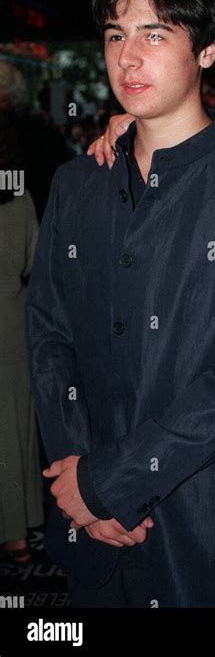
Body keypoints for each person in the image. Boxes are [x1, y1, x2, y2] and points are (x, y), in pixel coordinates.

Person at [26, 0, 215, 608]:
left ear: (206, 50)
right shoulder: (77, 183)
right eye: (116, 35)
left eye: (154, 34)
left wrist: (111, 482)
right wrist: (78, 481)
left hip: (206, 531)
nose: (128, 57)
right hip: (89, 534)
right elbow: (48, 333)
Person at [0, 113, 44, 565]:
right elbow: (34, 265)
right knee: (12, 432)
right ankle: (15, 536)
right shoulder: (19, 197)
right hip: (11, 327)